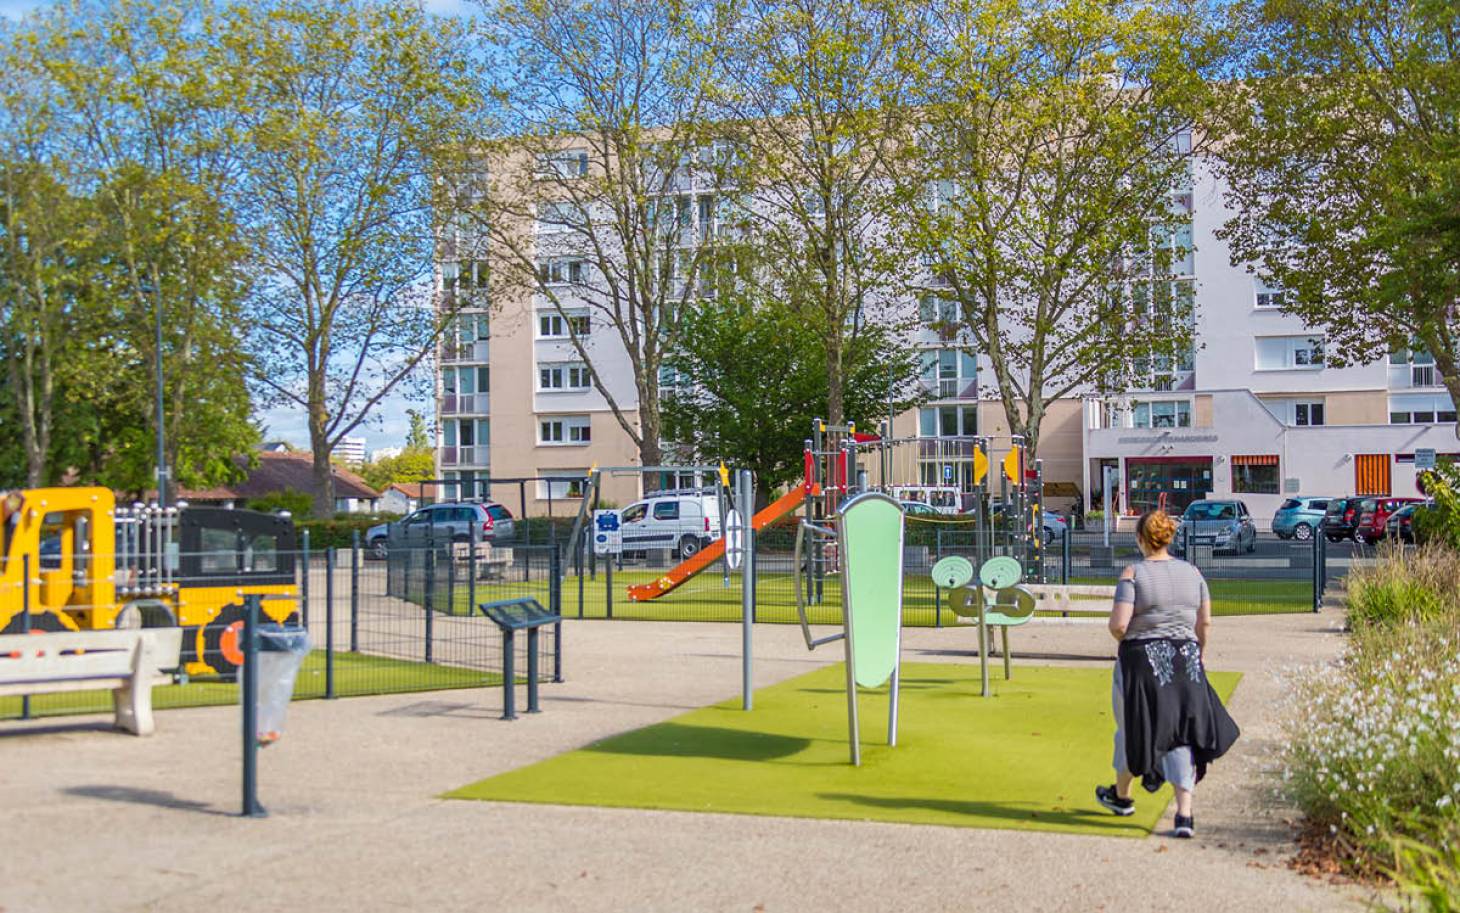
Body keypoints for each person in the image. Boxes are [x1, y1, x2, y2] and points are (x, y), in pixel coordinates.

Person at [1095, 509, 1239, 838]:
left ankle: (1122, 795)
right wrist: (1196, 651)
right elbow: (1204, 623)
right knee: (1183, 733)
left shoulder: (1134, 574)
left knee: (1134, 727)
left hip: (1142, 662)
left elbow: (1118, 624)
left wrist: (1130, 640)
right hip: (1186, 660)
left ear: (1141, 539)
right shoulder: (1193, 574)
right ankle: (1184, 815)